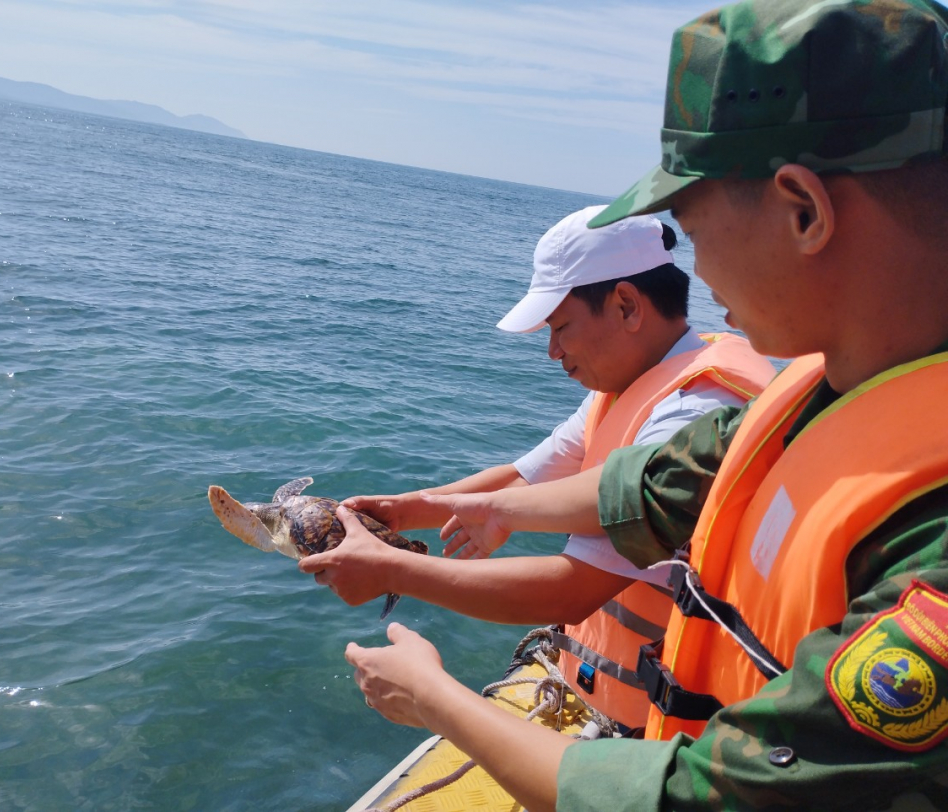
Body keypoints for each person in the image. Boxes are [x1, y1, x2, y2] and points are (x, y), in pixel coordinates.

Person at [339, 0, 948, 809]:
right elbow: (655, 483)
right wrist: (474, 510)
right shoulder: (823, 389)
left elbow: (712, 797)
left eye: (691, 228)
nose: (693, 271)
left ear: (803, 209)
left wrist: (436, 699)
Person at [300, 204, 775, 734]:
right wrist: (403, 510)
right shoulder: (636, 381)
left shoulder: (695, 406)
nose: (552, 352)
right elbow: (527, 476)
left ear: (625, 305)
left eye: (561, 327)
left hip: (663, 741)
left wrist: (393, 571)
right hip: (608, 702)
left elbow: (571, 590)